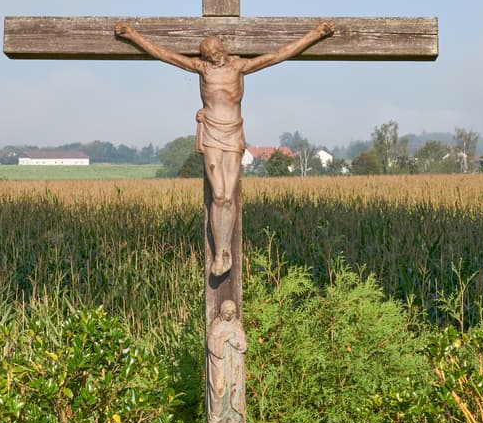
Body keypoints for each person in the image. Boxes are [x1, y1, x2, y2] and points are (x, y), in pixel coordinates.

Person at [113, 18, 335, 274]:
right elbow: (165, 55)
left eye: (218, 52)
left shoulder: (239, 66)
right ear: (205, 56)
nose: (216, 57)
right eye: (210, 55)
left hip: (233, 132)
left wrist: (316, 34)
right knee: (218, 195)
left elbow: (278, 55)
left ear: (224, 49)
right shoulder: (202, 69)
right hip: (211, 132)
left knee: (229, 196)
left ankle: (225, 250)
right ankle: (219, 254)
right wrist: (132, 35)